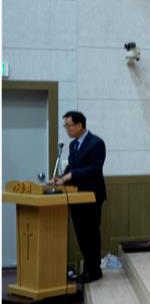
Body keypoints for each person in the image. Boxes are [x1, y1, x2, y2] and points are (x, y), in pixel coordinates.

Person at [52, 111, 107, 283]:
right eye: (65, 125)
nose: (66, 129)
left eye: (68, 125)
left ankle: (94, 270)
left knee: (91, 234)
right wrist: (61, 178)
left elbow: (94, 168)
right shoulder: (73, 145)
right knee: (81, 234)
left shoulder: (96, 143)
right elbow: (72, 168)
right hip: (76, 196)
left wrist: (71, 175)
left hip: (91, 195)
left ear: (79, 125)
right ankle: (88, 270)